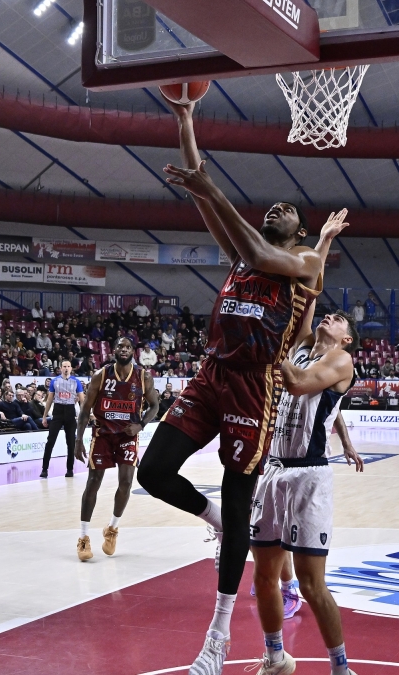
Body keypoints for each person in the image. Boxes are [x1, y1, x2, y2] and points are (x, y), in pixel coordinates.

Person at [138, 96, 348, 675]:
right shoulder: (242, 257)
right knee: (153, 473)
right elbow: (200, 187)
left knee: (240, 509)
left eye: (286, 208)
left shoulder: (305, 261)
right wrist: (185, 122)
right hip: (212, 375)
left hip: (256, 388)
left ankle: (219, 636)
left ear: (299, 231)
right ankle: (212, 519)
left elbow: (250, 239)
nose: (276, 207)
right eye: (271, 206)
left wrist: (210, 189)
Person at [248, 310, 361, 675]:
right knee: (264, 576)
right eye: (328, 313)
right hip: (274, 470)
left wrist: (273, 350)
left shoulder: (342, 359)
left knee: (312, 583)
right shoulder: (303, 350)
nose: (330, 316)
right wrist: (345, 438)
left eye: (339, 318)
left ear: (347, 338)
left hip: (309, 476)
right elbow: (306, 304)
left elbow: (298, 386)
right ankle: (276, 658)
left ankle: (341, 669)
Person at [73, 337, 159, 561]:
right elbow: (85, 410)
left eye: (128, 347)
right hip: (102, 433)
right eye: (120, 346)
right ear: (114, 350)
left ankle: (112, 528)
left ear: (134, 351)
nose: (123, 349)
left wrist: (141, 425)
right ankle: (83, 538)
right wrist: (77, 439)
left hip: (127, 435)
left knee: (126, 482)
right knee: (93, 483)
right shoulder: (101, 375)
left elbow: (155, 405)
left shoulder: (143, 377)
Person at [42, 360, 84, 479]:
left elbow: (82, 400)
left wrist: (84, 414)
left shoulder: (76, 382)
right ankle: (44, 469)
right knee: (50, 441)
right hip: (58, 411)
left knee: (70, 443)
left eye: (68, 366)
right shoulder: (54, 381)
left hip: (70, 411)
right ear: (60, 368)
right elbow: (49, 400)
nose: (66, 368)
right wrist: (45, 416)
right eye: (64, 366)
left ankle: (70, 469)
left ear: (71, 368)